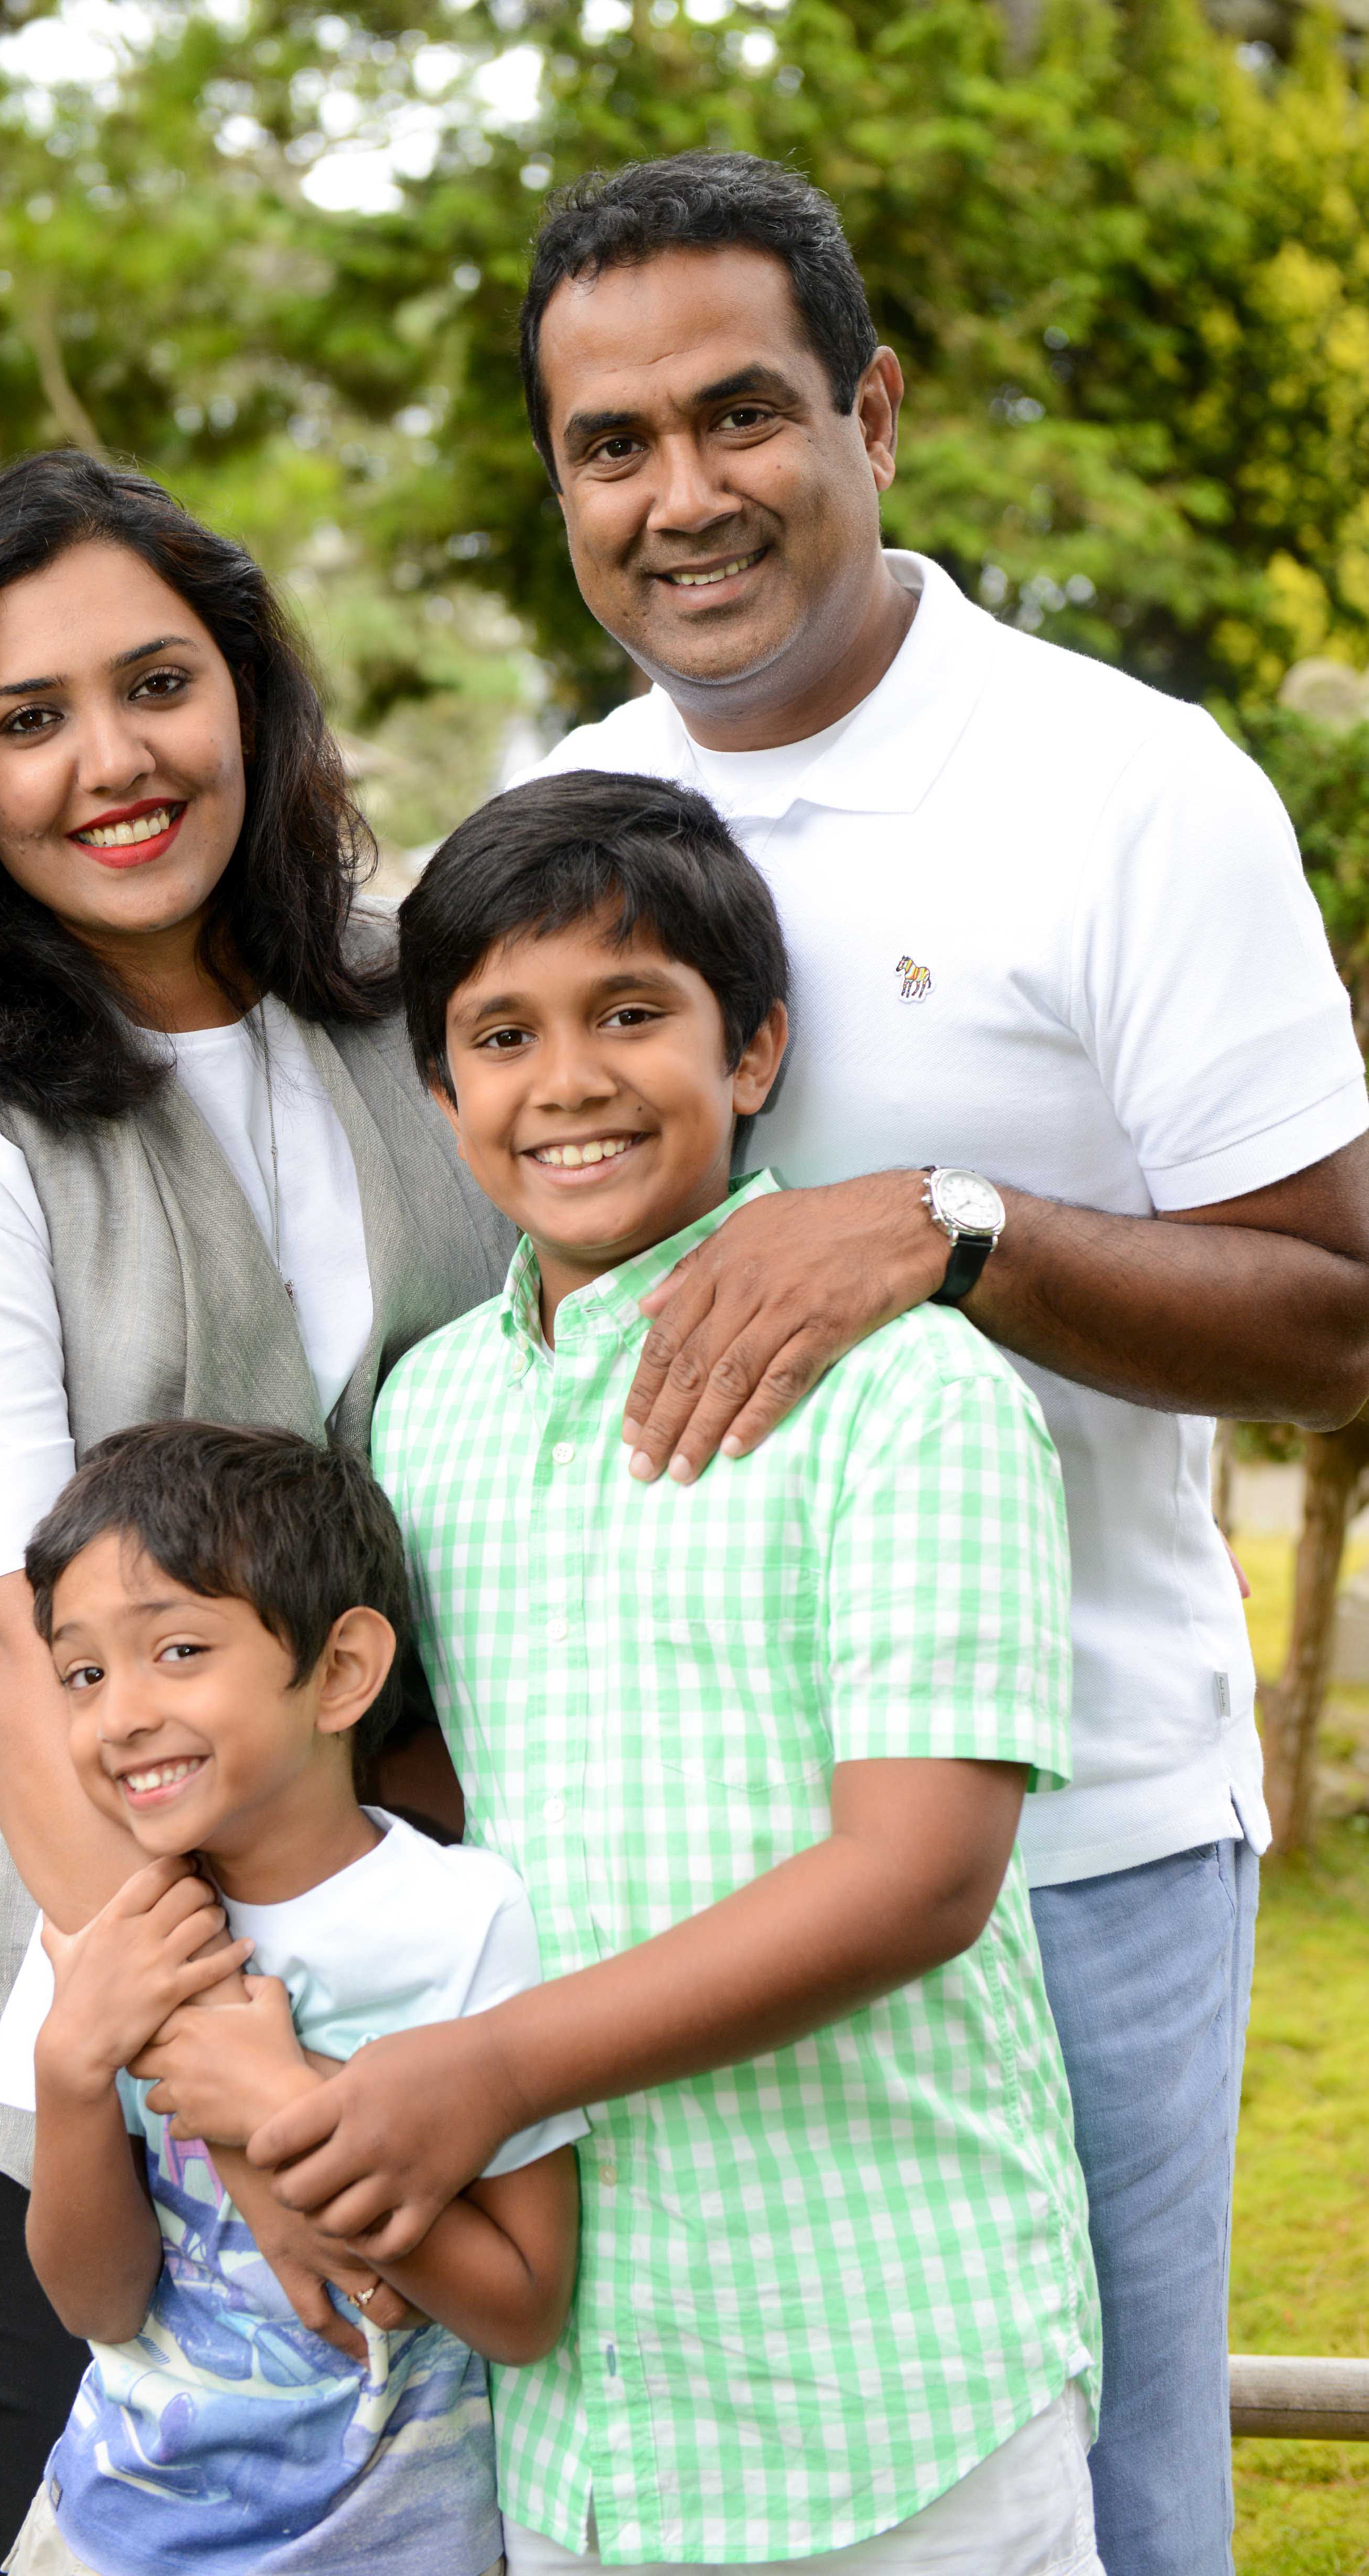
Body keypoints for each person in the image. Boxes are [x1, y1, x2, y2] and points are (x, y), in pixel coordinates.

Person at [0, 447, 789, 2575]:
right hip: (83, 2029)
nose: (111, 760)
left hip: (441, 1976)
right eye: (25, 721)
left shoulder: (396, 983)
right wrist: (228, 2082)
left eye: (158, 683)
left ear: (248, 694)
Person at [494, 154, 1369, 2575]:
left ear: (873, 414)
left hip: (1063, 1859)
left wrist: (956, 1229)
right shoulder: (546, 815)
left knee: (1091, 2502)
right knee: (693, 2497)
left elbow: (1337, 1315)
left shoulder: (1129, 789)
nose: (681, 496)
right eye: (608, 443)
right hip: (647, 1880)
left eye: (740, 415)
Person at [176, 769, 1102, 2575]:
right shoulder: (428, 1408)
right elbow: (423, 1777)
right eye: (497, 1034)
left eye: (628, 1011)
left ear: (748, 1050)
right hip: (580, 2398)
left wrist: (485, 2068)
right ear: (439, 1092)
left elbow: (918, 1876)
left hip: (884, 2369)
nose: (567, 1079)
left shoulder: (905, 1392)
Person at [0, 1420, 579, 2576]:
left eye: (178, 1652)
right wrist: (68, 2072)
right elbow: (98, 2306)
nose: (118, 1717)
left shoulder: (463, 1924)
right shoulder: (102, 1936)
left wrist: (286, 2115)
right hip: (111, 2534)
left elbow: (520, 2307)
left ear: (342, 1672)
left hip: (390, 2547)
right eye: (83, 1674)